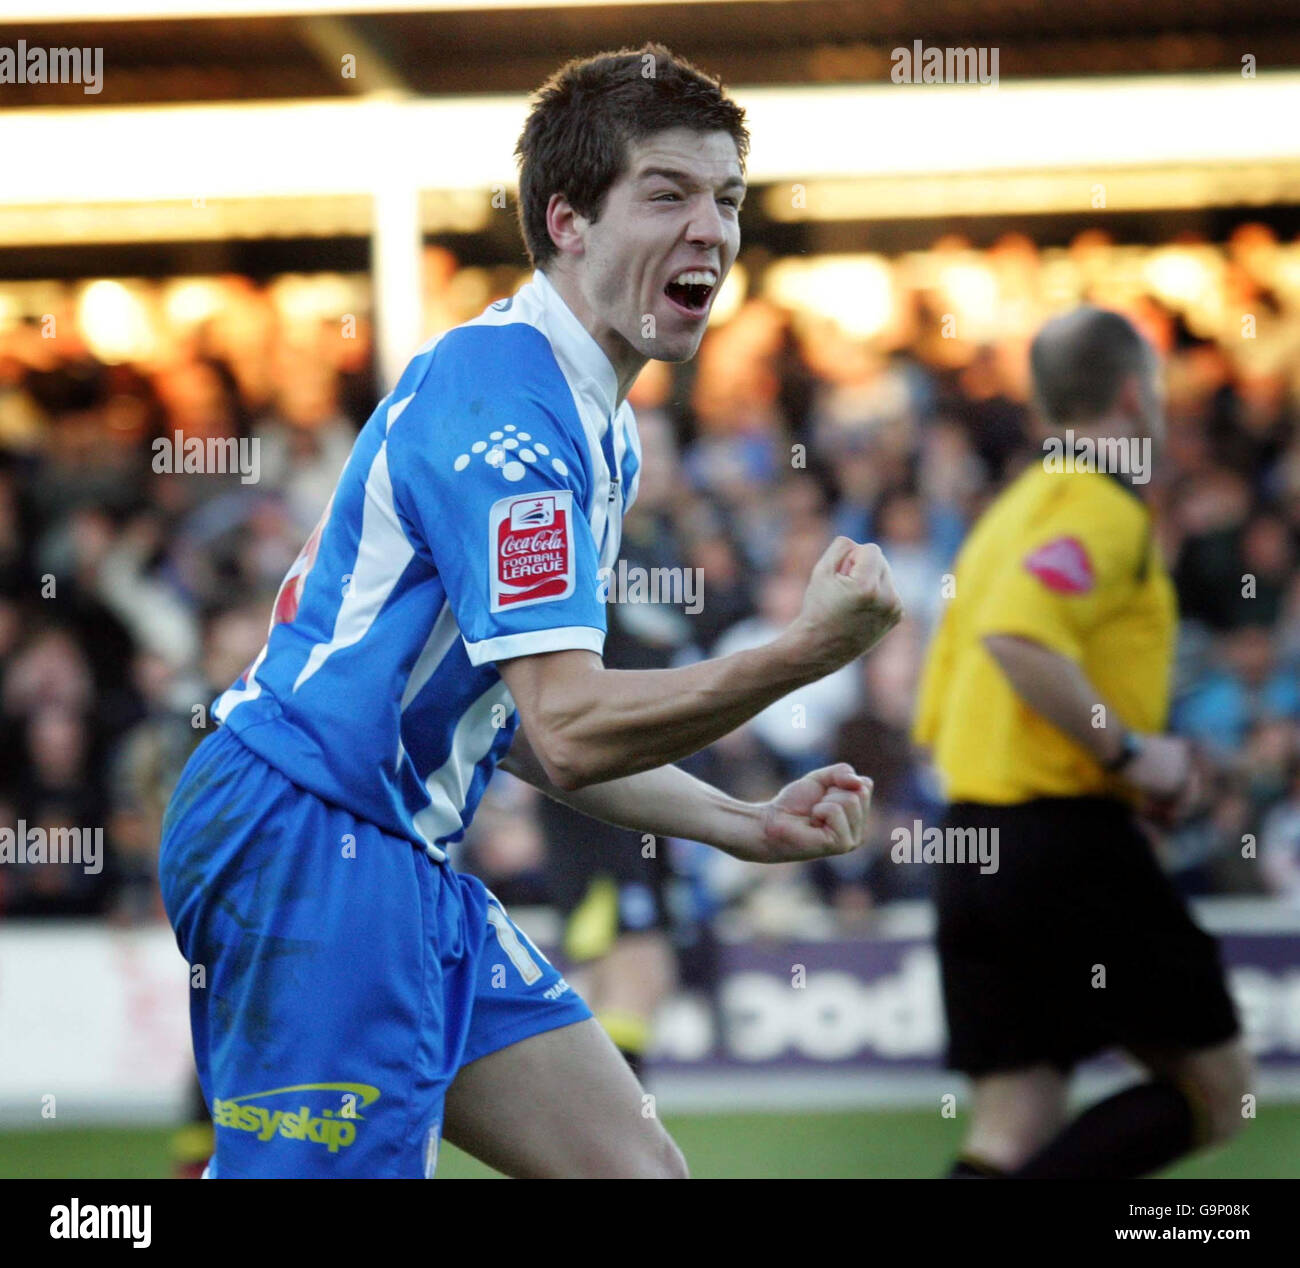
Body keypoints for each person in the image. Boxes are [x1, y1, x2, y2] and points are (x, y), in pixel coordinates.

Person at [158, 44, 902, 1180]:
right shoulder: (508, 412)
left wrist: (743, 822)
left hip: (389, 842)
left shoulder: (587, 418)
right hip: (312, 828)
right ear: (567, 219)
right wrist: (804, 651)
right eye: (668, 193)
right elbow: (571, 722)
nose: (712, 228)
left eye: (728, 199)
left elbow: (521, 730)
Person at [912, 305, 1252, 1179]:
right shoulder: (1098, 506)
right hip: (1057, 840)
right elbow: (1019, 642)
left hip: (972, 842)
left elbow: (954, 683)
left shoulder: (1008, 512)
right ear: (1139, 396)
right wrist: (1132, 761)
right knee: (1218, 1091)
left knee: (1011, 1123)